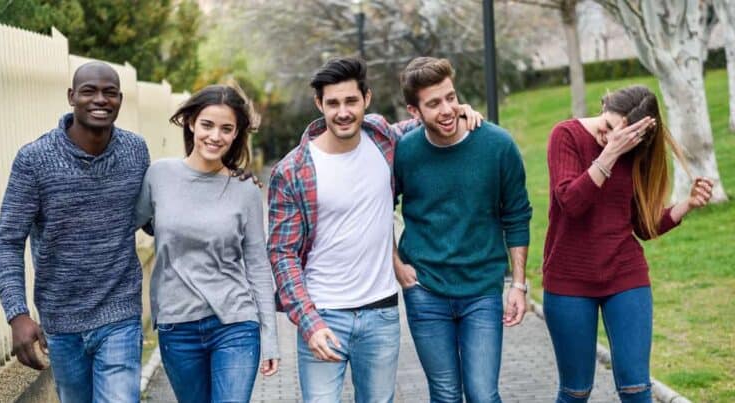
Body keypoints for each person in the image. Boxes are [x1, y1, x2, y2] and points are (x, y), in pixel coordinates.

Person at [268, 57, 481, 402]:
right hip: (323, 315)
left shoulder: (382, 138)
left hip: (380, 314)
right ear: (319, 104)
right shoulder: (292, 171)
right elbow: (281, 254)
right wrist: (309, 322)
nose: (343, 112)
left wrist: (457, 111)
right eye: (333, 103)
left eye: (351, 101)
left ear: (366, 99)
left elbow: (419, 122)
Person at [543, 85, 714, 402]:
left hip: (625, 275)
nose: (608, 138)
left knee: (637, 388)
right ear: (604, 105)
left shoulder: (633, 152)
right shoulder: (565, 136)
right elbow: (571, 202)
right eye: (607, 127)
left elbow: (643, 226)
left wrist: (686, 204)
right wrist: (611, 153)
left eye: (619, 137)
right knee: (575, 391)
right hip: (568, 280)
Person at [0, 61, 149, 403]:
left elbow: (154, 214)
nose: (100, 100)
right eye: (89, 91)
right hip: (61, 320)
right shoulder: (35, 160)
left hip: (120, 310)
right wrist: (17, 314)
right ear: (71, 97)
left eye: (110, 92)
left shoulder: (136, 152)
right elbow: (7, 241)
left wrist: (224, 179)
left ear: (120, 99)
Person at [393, 57, 532, 402]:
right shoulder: (403, 152)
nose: (447, 109)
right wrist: (398, 267)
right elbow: (377, 210)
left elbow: (517, 214)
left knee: (483, 394)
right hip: (425, 290)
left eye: (451, 97)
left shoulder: (497, 145)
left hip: (482, 290)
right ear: (414, 111)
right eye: (434, 103)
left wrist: (517, 284)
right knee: (444, 395)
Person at [135, 84, 279, 402]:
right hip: (177, 325)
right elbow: (128, 226)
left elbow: (257, 264)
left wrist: (269, 336)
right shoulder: (159, 176)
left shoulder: (246, 190)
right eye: (207, 125)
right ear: (191, 123)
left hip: (235, 323)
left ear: (237, 133)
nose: (215, 136)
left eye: (226, 129)